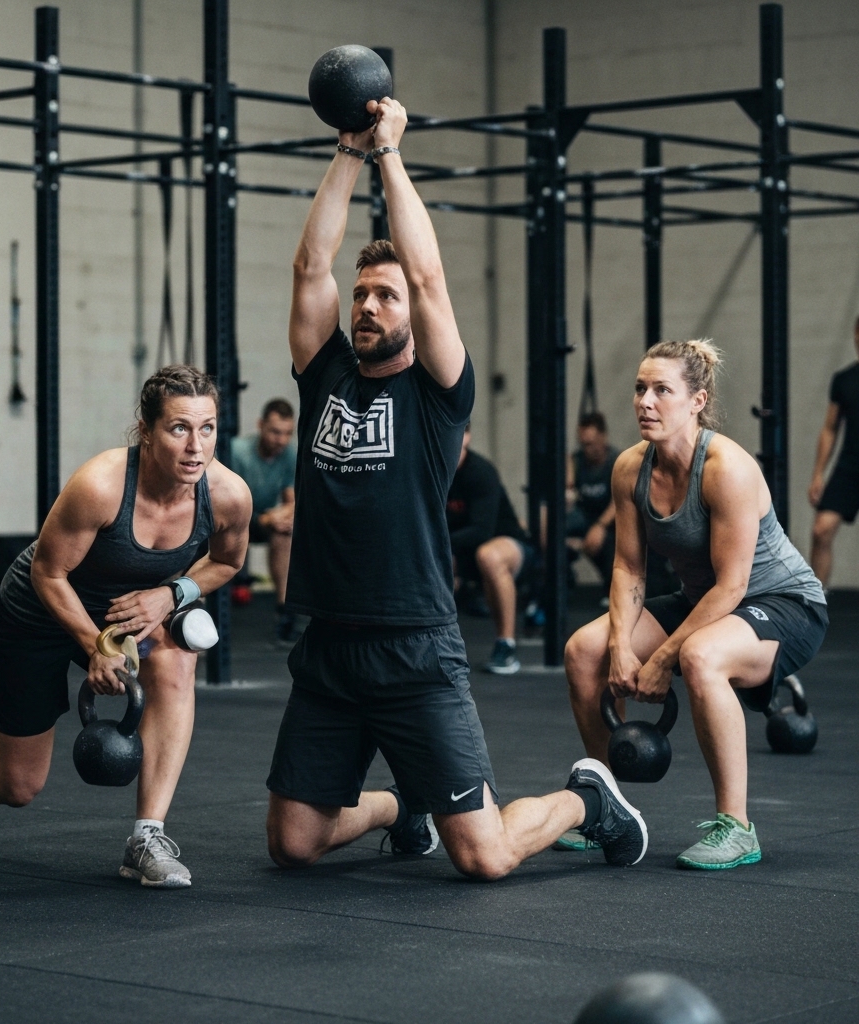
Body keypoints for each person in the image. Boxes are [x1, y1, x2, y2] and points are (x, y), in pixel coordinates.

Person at [264, 95, 647, 881]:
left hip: (414, 647)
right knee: (293, 845)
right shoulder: (324, 373)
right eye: (363, 294)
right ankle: (397, 804)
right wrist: (346, 151)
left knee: (485, 858)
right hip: (330, 645)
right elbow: (310, 268)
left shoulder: (439, 393)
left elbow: (431, 277)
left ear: (413, 315)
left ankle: (588, 801)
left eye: (385, 296)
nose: (368, 306)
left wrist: (391, 155)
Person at [0, 366, 251, 888]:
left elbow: (226, 562)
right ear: (147, 430)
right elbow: (50, 572)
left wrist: (170, 593)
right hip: (40, 611)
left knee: (180, 656)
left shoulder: (227, 495)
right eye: (179, 428)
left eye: (207, 429)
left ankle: (147, 837)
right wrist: (95, 645)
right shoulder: (100, 485)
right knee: (18, 784)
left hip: (127, 612)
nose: (195, 447)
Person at [563, 340, 827, 869]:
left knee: (699, 656)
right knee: (582, 650)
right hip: (702, 601)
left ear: (697, 400)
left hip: (782, 602)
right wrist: (619, 646)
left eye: (663, 390)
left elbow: (732, 587)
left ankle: (737, 827)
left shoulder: (726, 467)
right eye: (640, 388)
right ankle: (605, 807)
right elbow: (627, 569)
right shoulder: (630, 469)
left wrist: (661, 660)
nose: (645, 401)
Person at [447, 424, 539, 674]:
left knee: (488, 555)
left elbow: (481, 531)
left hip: (509, 546)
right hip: (464, 550)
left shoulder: (480, 472)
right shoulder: (434, 471)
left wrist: (440, 546)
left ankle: (506, 647)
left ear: (467, 437)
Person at [231, 398, 298, 641]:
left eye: (287, 433)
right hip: (234, 519)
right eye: (275, 432)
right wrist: (267, 518)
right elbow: (226, 504)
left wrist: (278, 518)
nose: (281, 440)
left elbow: (291, 501)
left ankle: (284, 611)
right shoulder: (237, 451)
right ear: (260, 426)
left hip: (264, 519)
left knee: (285, 531)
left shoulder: (289, 454)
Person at [809, 316, 859, 588]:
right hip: (850, 466)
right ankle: (817, 600)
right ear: (856, 335)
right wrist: (818, 474)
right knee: (821, 529)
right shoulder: (844, 380)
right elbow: (830, 429)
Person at [567, 411, 619, 592]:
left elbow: (619, 501)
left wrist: (600, 526)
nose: (587, 449)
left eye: (590, 444)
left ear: (603, 437)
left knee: (614, 542)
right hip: (583, 518)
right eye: (583, 444)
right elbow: (568, 494)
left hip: (610, 522)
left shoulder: (617, 462)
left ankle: (613, 589)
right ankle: (560, 579)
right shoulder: (576, 461)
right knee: (552, 529)